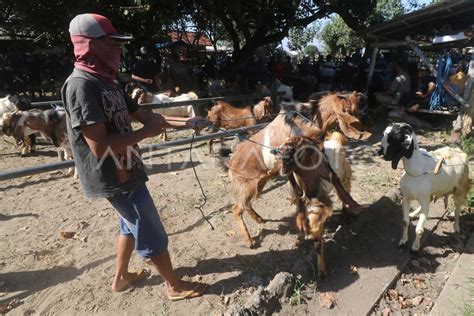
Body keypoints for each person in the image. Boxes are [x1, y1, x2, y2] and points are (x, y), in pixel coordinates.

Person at [62, 13, 209, 300]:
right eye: (112, 44)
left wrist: (188, 123)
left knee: (128, 225)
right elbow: (100, 147)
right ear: (90, 45)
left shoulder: (110, 82)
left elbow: (146, 116)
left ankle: (120, 278)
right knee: (147, 225)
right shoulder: (82, 85)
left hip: (128, 167)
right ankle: (174, 286)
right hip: (112, 176)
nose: (119, 50)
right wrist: (146, 134)